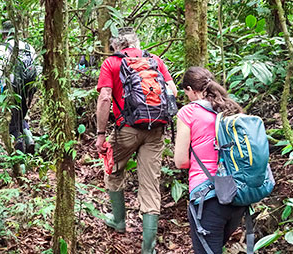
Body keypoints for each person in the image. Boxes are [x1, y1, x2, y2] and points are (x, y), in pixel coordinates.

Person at [95, 27, 177, 254]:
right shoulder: (155, 61)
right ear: (137, 43)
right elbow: (173, 91)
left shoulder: (111, 63)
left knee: (112, 168)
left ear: (116, 46)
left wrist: (101, 134)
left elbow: (104, 98)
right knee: (150, 185)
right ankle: (148, 249)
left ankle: (118, 221)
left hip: (126, 129)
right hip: (156, 130)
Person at [174, 67, 246, 254]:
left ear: (190, 89)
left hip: (208, 197)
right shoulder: (230, 108)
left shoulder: (188, 112)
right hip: (238, 195)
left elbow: (180, 161)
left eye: (186, 92)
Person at [0, 21, 40, 153]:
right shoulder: (29, 47)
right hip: (29, 87)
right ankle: (30, 141)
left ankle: (19, 153)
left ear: (4, 35)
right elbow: (38, 68)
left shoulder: (3, 48)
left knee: (12, 120)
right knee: (21, 115)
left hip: (12, 88)